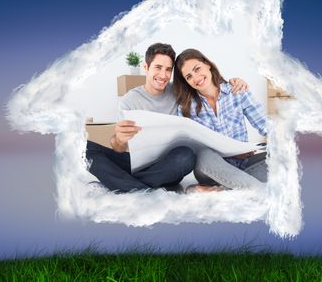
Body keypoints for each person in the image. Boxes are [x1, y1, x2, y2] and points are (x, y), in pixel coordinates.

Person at [86, 43, 249, 193]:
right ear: (146, 67)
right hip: (135, 163)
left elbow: (205, 84)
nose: (163, 75)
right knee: (85, 148)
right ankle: (140, 190)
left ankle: (118, 185)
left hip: (167, 165)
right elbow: (119, 147)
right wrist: (119, 140)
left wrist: (233, 81)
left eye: (168, 69)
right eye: (158, 67)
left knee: (186, 156)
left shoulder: (180, 93)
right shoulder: (129, 101)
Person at [173, 48, 268, 191]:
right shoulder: (185, 107)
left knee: (280, 156)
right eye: (189, 76)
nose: (196, 77)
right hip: (210, 168)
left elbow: (265, 125)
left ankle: (217, 190)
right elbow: (190, 148)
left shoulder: (236, 91)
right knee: (204, 155)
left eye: (197, 69)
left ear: (208, 64)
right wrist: (230, 152)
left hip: (244, 164)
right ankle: (261, 192)